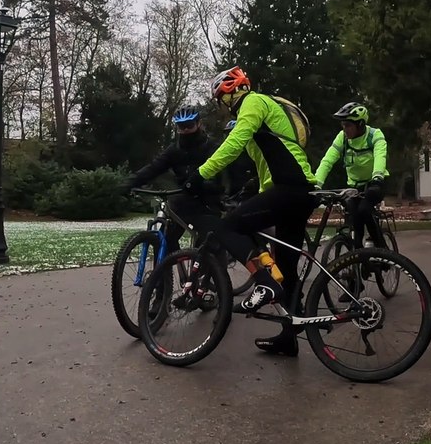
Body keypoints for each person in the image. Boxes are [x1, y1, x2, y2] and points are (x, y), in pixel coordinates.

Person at [185, 66, 317, 357]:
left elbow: (234, 143)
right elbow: (265, 164)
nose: (221, 107)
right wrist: (252, 193)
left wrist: (201, 173)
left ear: (229, 93)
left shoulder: (254, 102)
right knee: (289, 270)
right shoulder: (265, 115)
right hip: (298, 191)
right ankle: (288, 337)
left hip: (289, 188)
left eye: (220, 100)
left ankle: (264, 284)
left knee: (228, 226)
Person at [121, 106, 222, 253]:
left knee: (209, 247)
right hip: (183, 200)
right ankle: (163, 273)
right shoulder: (174, 150)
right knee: (163, 240)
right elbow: (153, 168)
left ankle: (215, 273)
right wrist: (130, 183)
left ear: (199, 124)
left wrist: (207, 186)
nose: (186, 130)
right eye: (181, 126)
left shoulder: (212, 147)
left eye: (189, 125)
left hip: (207, 202)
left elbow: (220, 175)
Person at [313, 102, 389, 249]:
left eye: (348, 125)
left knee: (364, 210)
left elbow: (380, 156)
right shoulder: (342, 138)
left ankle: (382, 249)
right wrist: (317, 184)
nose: (344, 129)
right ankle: (359, 259)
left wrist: (377, 177)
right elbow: (327, 161)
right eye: (343, 125)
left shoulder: (374, 135)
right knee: (355, 221)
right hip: (354, 186)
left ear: (360, 124)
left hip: (374, 184)